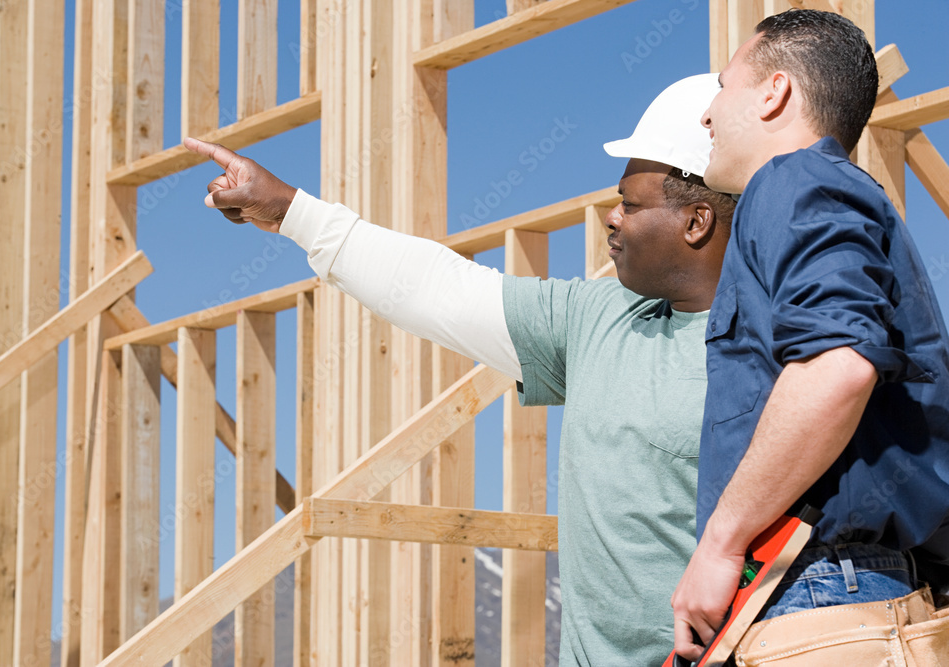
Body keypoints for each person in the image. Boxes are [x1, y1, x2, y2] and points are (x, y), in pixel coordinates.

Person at [185, 74, 736, 665]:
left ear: (696, 221)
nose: (611, 217)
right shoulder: (598, 318)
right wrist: (291, 210)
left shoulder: (782, 349)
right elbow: (436, 288)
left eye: (629, 203)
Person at [671, 9, 949, 663]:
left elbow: (836, 366)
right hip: (845, 589)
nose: (707, 115)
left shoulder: (794, 180)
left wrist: (719, 543)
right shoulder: (832, 194)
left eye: (723, 84)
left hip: (821, 591)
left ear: (774, 92)